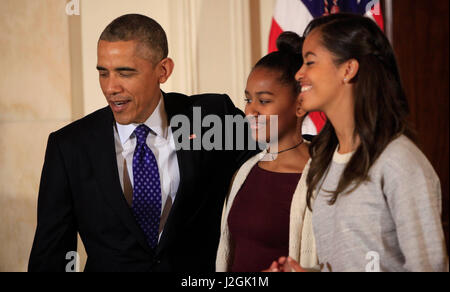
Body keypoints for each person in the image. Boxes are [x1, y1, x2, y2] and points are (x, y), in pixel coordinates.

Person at [28, 14, 257, 272]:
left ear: (163, 70)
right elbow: (51, 256)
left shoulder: (208, 118)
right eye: (103, 73)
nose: (110, 87)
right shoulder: (70, 147)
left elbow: (279, 153)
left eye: (125, 73)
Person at [275, 13, 448, 272]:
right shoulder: (323, 162)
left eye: (310, 62)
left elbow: (429, 267)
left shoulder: (398, 161)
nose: (299, 74)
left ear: (348, 69)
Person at [216, 32, 319, 272]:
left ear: (300, 104)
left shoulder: (322, 177)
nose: (250, 111)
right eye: (248, 99)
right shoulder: (245, 171)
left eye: (263, 101)